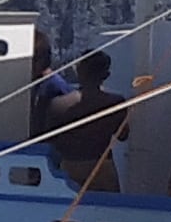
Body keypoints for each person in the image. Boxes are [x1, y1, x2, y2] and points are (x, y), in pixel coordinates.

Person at [29, 51, 121, 189]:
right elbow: (123, 135)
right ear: (106, 75)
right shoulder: (115, 102)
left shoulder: (59, 104)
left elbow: (49, 138)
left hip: (69, 167)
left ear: (78, 70)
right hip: (102, 167)